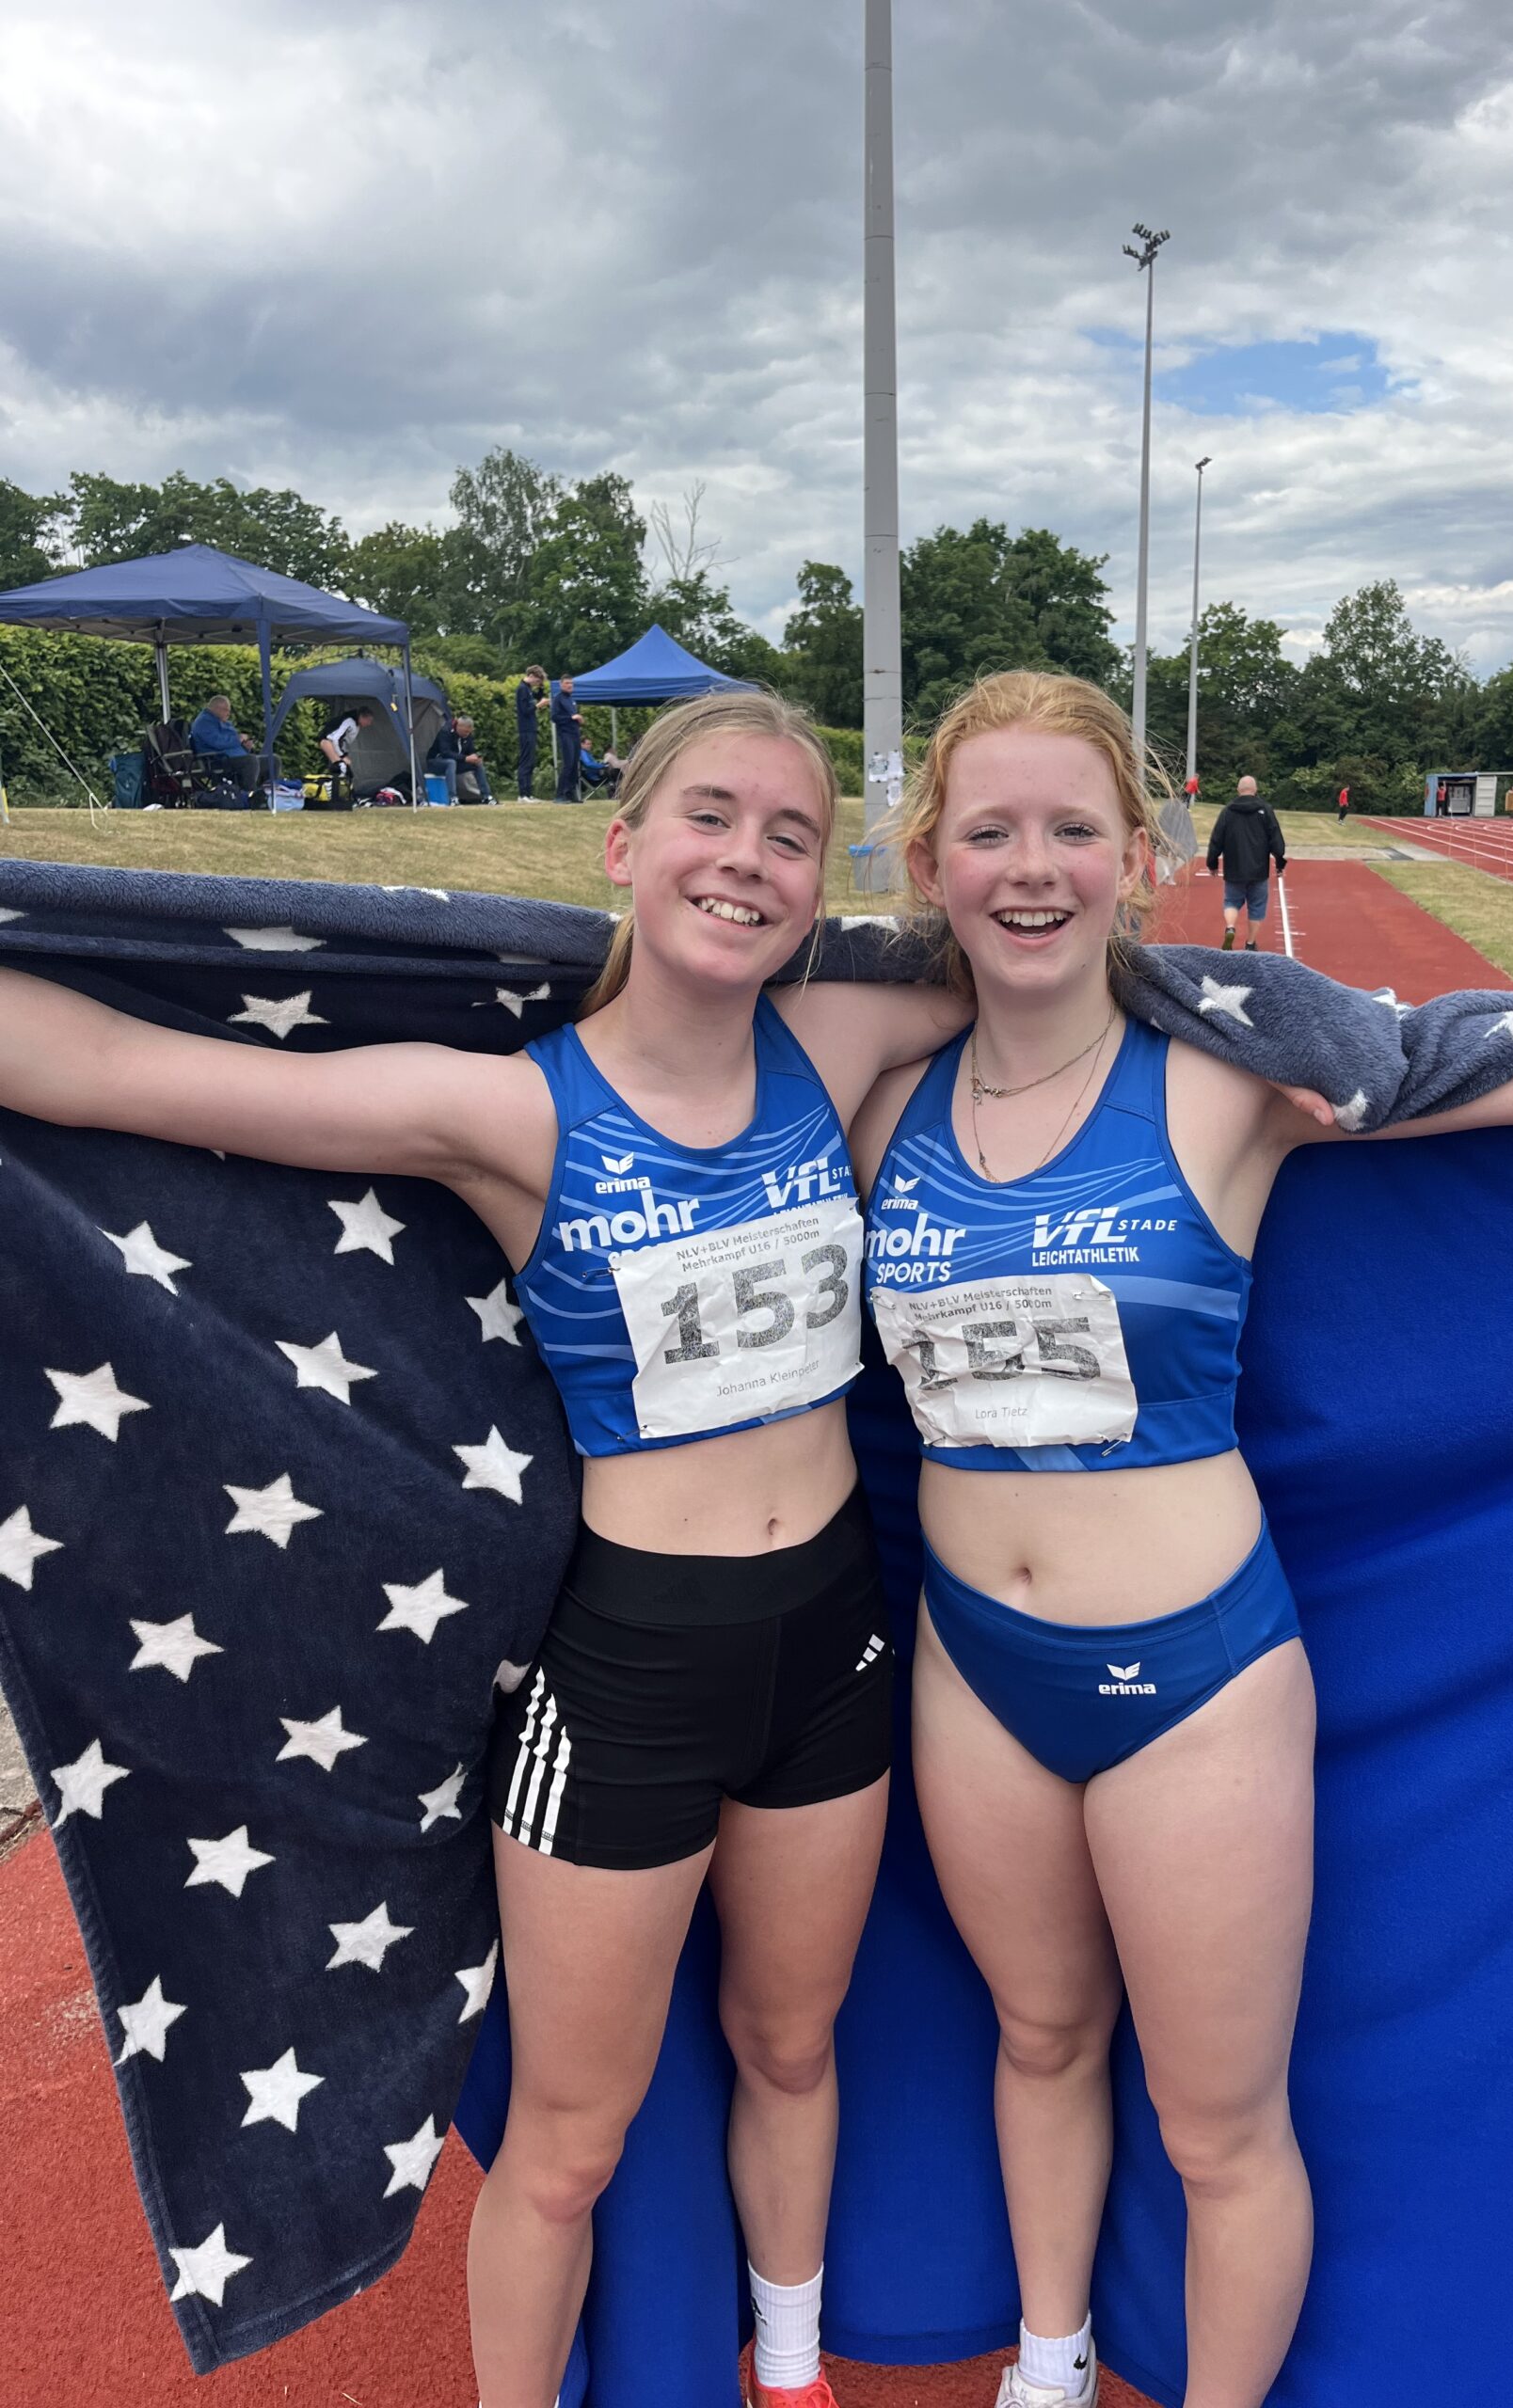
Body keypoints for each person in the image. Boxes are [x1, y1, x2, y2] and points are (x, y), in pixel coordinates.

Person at [0, 688, 967, 2408]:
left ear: (821, 888)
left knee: (791, 2046)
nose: (746, 859)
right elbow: (119, 1071)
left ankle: (792, 2372)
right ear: (622, 846)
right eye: (710, 816)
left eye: (791, 836)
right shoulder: (512, 1115)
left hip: (834, 1644)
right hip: (633, 1677)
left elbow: (1047, 974)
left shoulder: (833, 1046)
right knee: (572, 2140)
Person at [852, 668, 1513, 2408]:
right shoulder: (876, 1105)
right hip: (973, 1666)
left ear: (1143, 856)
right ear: (929, 862)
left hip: (1196, 1683)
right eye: (988, 831)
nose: (1031, 866)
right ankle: (1048, 2369)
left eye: (1072, 828)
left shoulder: (1231, 1080)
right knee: (1040, 2039)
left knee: (1217, 2122)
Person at [1205, 774, 1286, 951]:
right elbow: (1275, 838)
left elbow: (1216, 839)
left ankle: (1230, 927)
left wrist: (1212, 863)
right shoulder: (1265, 810)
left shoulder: (1228, 811)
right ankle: (1250, 943)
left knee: (1231, 902)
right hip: (1259, 869)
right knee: (1257, 907)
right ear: (1255, 790)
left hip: (1234, 868)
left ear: (1238, 790)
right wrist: (1280, 862)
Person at [187, 692, 259, 794]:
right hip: (216, 760)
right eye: (226, 710)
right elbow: (217, 742)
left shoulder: (223, 721)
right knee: (250, 761)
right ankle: (249, 796)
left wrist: (245, 747)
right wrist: (238, 739)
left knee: (272, 760)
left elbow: (232, 743)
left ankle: (268, 795)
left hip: (232, 757)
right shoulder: (203, 723)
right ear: (215, 708)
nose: (228, 713)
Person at [515, 666, 549, 800]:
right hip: (525, 729)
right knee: (525, 760)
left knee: (530, 761)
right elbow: (525, 710)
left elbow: (536, 697)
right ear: (531, 676)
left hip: (531, 728)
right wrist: (539, 705)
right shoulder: (522, 689)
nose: (537, 684)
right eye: (537, 681)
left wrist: (541, 689)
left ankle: (528, 793)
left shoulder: (528, 689)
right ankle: (523, 794)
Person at [551, 673, 583, 802]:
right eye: (567, 683)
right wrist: (571, 718)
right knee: (568, 764)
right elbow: (554, 717)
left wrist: (579, 720)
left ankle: (571, 793)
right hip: (565, 734)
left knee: (575, 765)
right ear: (561, 685)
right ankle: (560, 795)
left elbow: (574, 717)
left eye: (571, 683)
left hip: (575, 734)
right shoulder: (558, 699)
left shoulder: (572, 700)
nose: (570, 685)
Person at [454, 714, 496, 805]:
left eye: (469, 732)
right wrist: (465, 758)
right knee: (451, 763)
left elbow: (471, 751)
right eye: (465, 731)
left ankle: (486, 796)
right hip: (450, 762)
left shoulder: (468, 736)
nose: (467, 734)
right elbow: (446, 753)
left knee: (478, 765)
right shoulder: (448, 734)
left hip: (461, 763)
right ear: (459, 727)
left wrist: (475, 757)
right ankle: (453, 797)